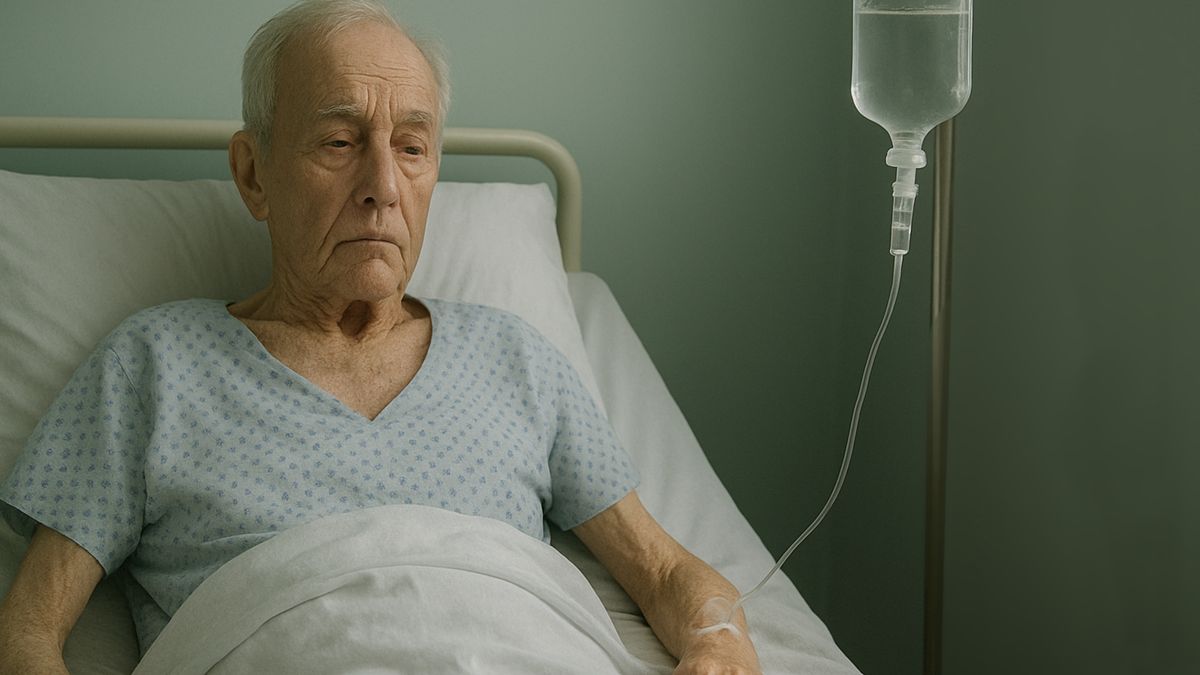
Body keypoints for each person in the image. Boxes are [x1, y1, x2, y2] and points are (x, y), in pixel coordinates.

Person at [0, 1, 760, 673]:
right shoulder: (154, 364)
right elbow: (28, 630)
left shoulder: (516, 359)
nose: (384, 187)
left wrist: (720, 647)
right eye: (339, 142)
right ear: (253, 173)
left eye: (412, 147)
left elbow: (667, 573)